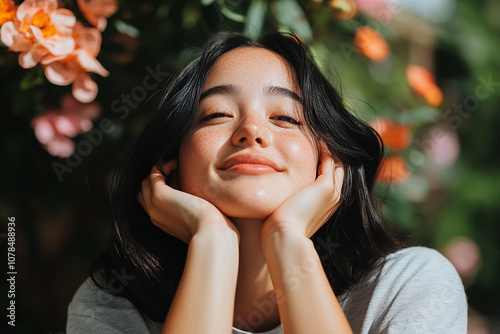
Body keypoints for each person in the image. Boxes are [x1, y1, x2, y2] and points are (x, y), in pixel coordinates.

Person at [66, 32, 467, 333]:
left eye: (286, 118)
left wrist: (288, 240)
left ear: (329, 162)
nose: (252, 131)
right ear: (169, 165)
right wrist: (212, 244)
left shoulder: (405, 288)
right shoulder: (111, 308)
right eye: (217, 114)